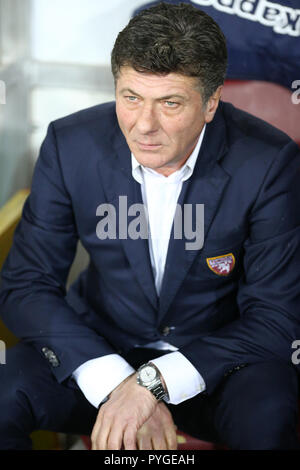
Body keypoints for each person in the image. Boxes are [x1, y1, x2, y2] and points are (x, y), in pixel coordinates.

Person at [0, 2, 300, 451]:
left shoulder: (270, 162)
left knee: (271, 416)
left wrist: (152, 385)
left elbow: (277, 317)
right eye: (131, 97)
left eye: (171, 103)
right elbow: (25, 285)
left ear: (211, 102)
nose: (144, 126)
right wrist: (117, 382)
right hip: (101, 349)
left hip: (219, 364)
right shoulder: (70, 144)